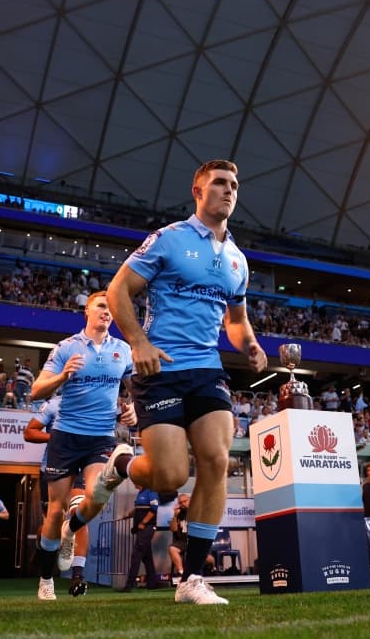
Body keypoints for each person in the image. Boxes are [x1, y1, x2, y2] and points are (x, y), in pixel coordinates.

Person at [104, 159, 266, 605]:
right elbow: (118, 290)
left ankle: (191, 579)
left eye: (234, 184)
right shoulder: (170, 239)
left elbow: (236, 320)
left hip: (206, 368)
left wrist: (249, 344)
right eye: (219, 183)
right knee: (171, 477)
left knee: (216, 460)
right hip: (160, 369)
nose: (229, 190)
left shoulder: (237, 259)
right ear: (198, 190)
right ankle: (121, 465)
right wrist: (137, 342)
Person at [29, 291, 136, 602]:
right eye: (101, 305)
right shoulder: (66, 347)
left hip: (102, 437)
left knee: (96, 498)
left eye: (111, 308)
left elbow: (136, 391)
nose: (107, 311)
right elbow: (36, 390)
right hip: (65, 436)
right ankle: (46, 579)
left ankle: (71, 530)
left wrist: (133, 411)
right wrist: (63, 375)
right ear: (88, 310)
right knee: (54, 511)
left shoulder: (123, 350)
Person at [23, 395, 92, 597]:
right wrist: (56, 437)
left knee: (79, 514)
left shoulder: (95, 400)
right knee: (52, 521)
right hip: (53, 468)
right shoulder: (54, 404)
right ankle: (46, 580)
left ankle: (78, 575)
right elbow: (29, 433)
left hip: (80, 467)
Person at [122, 486, 161, 591]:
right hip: (141, 529)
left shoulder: (151, 491)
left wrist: (143, 522)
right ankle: (152, 584)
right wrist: (129, 515)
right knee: (147, 557)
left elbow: (153, 509)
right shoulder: (140, 493)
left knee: (136, 554)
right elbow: (138, 509)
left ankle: (129, 585)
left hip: (147, 528)